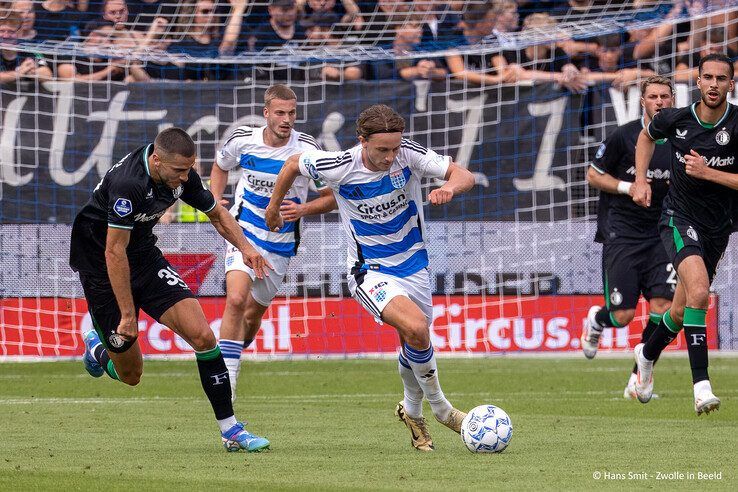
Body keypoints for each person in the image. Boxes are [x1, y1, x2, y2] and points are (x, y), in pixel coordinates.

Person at [264, 104, 476, 451]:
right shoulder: (340, 164)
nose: (390, 156)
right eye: (382, 150)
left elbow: (463, 174)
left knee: (415, 338)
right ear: (362, 141)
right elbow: (291, 164)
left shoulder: (408, 155)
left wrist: (450, 188)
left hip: (415, 265)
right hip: (369, 271)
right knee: (417, 329)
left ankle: (411, 410)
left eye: (395, 148)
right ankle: (442, 410)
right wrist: (275, 207)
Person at [69, 127, 273, 451]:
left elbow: (217, 215)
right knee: (131, 375)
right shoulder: (128, 185)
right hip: (101, 265)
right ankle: (97, 348)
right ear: (156, 160)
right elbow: (113, 252)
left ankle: (231, 431)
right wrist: (127, 315)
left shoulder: (182, 175)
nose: (185, 177)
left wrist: (248, 249)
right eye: (178, 171)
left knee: (204, 335)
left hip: (144, 256)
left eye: (188, 168)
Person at [209, 84, 337, 402]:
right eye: (280, 112)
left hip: (280, 244)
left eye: (292, 113)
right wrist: (214, 200)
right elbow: (220, 167)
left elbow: (330, 198)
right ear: (266, 113)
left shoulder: (307, 150)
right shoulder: (242, 140)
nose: (287, 119)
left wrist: (303, 209)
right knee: (236, 300)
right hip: (243, 231)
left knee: (252, 316)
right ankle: (228, 382)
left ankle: (233, 350)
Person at [632, 53, 738, 416]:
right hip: (678, 218)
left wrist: (709, 174)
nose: (713, 84)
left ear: (731, 83)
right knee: (699, 292)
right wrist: (640, 179)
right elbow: (646, 138)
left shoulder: (737, 125)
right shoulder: (676, 119)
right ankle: (701, 386)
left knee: (679, 312)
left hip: (718, 227)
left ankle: (646, 355)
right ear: (697, 82)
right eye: (707, 77)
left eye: (720, 79)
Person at [582, 76, 676, 399]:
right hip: (622, 231)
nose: (660, 102)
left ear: (673, 99)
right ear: (643, 101)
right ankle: (597, 319)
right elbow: (592, 174)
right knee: (622, 316)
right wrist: (628, 186)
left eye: (665, 96)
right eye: (653, 96)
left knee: (663, 308)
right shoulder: (624, 136)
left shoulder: (681, 137)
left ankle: (639, 378)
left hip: (663, 232)